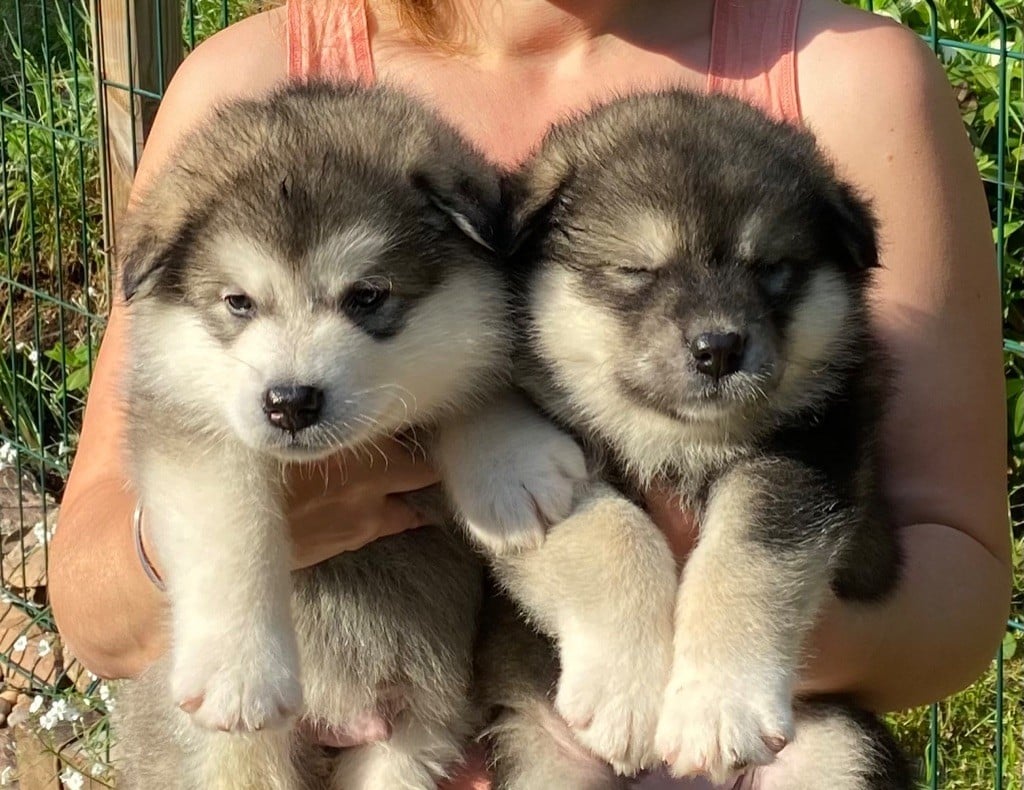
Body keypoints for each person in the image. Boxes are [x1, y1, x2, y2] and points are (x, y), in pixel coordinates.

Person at [49, 0, 1010, 786]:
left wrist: (698, 643)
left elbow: (955, 598)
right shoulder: (248, 84)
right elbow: (91, 604)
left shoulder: (844, 74)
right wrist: (250, 545)